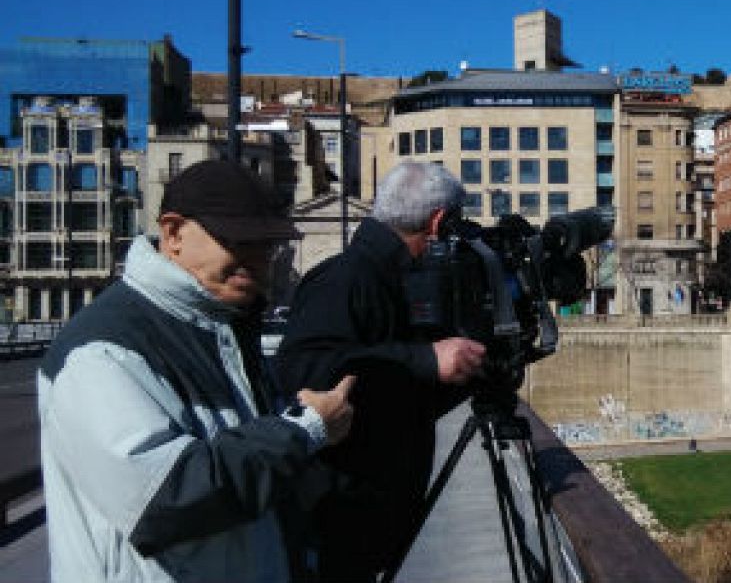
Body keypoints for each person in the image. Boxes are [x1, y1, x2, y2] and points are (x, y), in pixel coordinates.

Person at [39, 159, 356, 583]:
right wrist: (303, 430)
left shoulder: (225, 327)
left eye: (267, 246)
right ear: (172, 233)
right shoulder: (101, 351)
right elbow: (163, 498)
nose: (257, 260)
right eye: (239, 242)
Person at [275, 161, 487, 582]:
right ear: (438, 221)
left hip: (365, 517)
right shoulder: (346, 278)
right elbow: (304, 373)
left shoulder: (382, 276)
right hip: (343, 521)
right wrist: (426, 359)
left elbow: (399, 395)